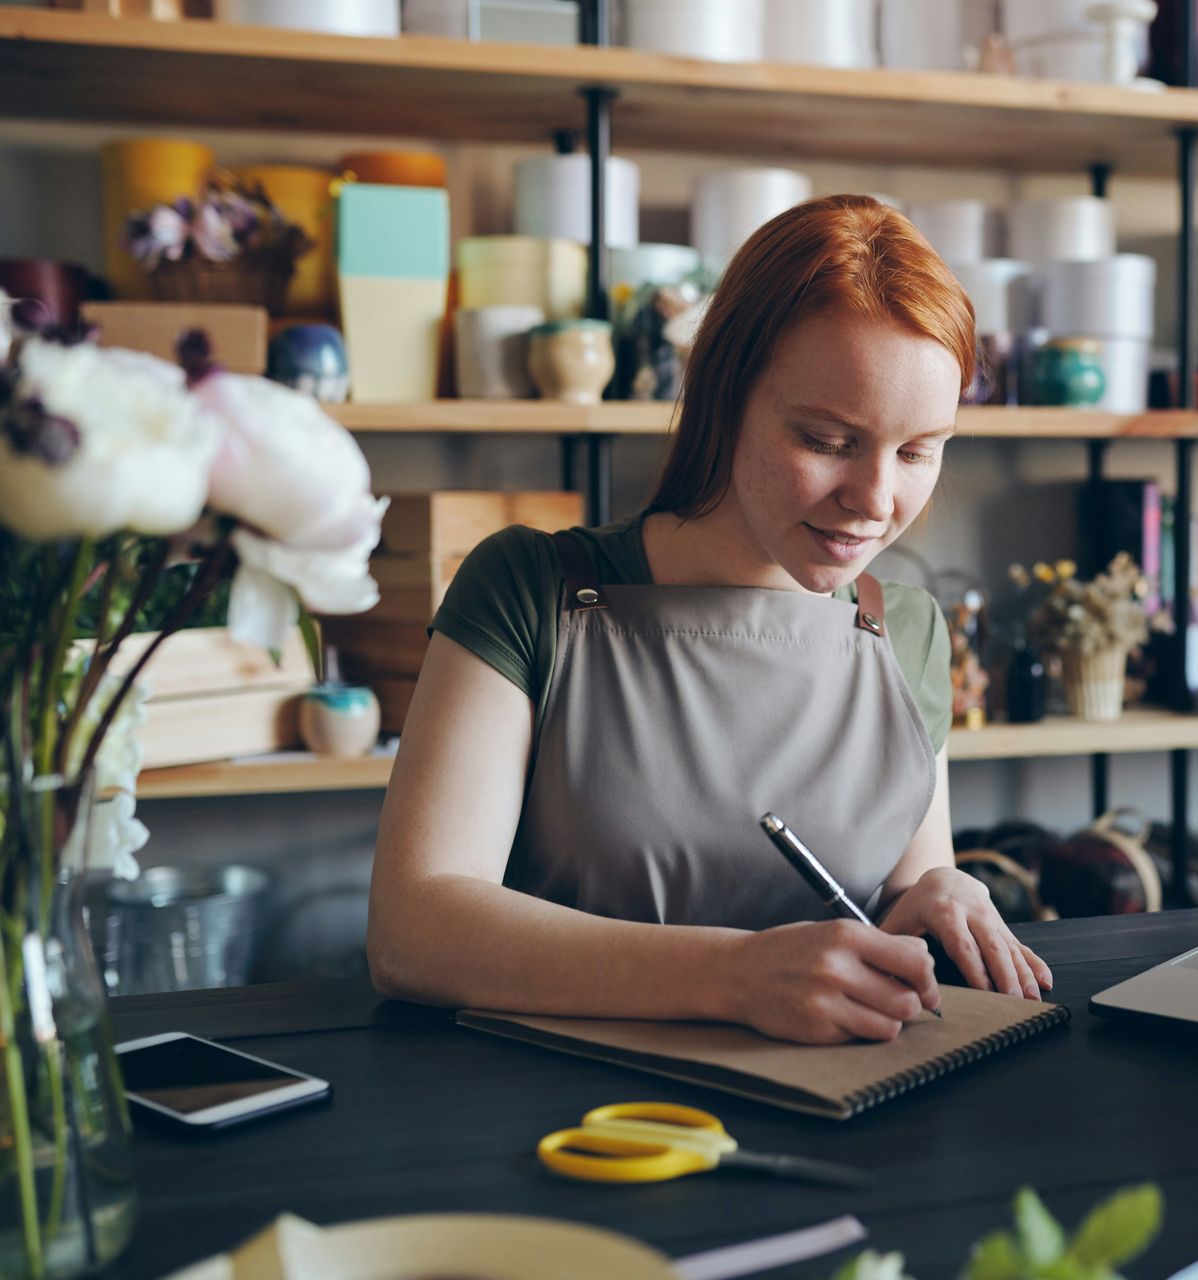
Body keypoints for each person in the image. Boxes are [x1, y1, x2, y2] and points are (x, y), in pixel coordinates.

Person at [368, 195, 1052, 1044]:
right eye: (829, 440)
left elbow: (899, 898)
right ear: (722, 397)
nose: (876, 502)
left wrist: (937, 895)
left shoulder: (903, 625)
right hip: (571, 1130)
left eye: (917, 451)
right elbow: (414, 930)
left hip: (844, 1113)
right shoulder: (526, 588)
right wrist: (734, 977)